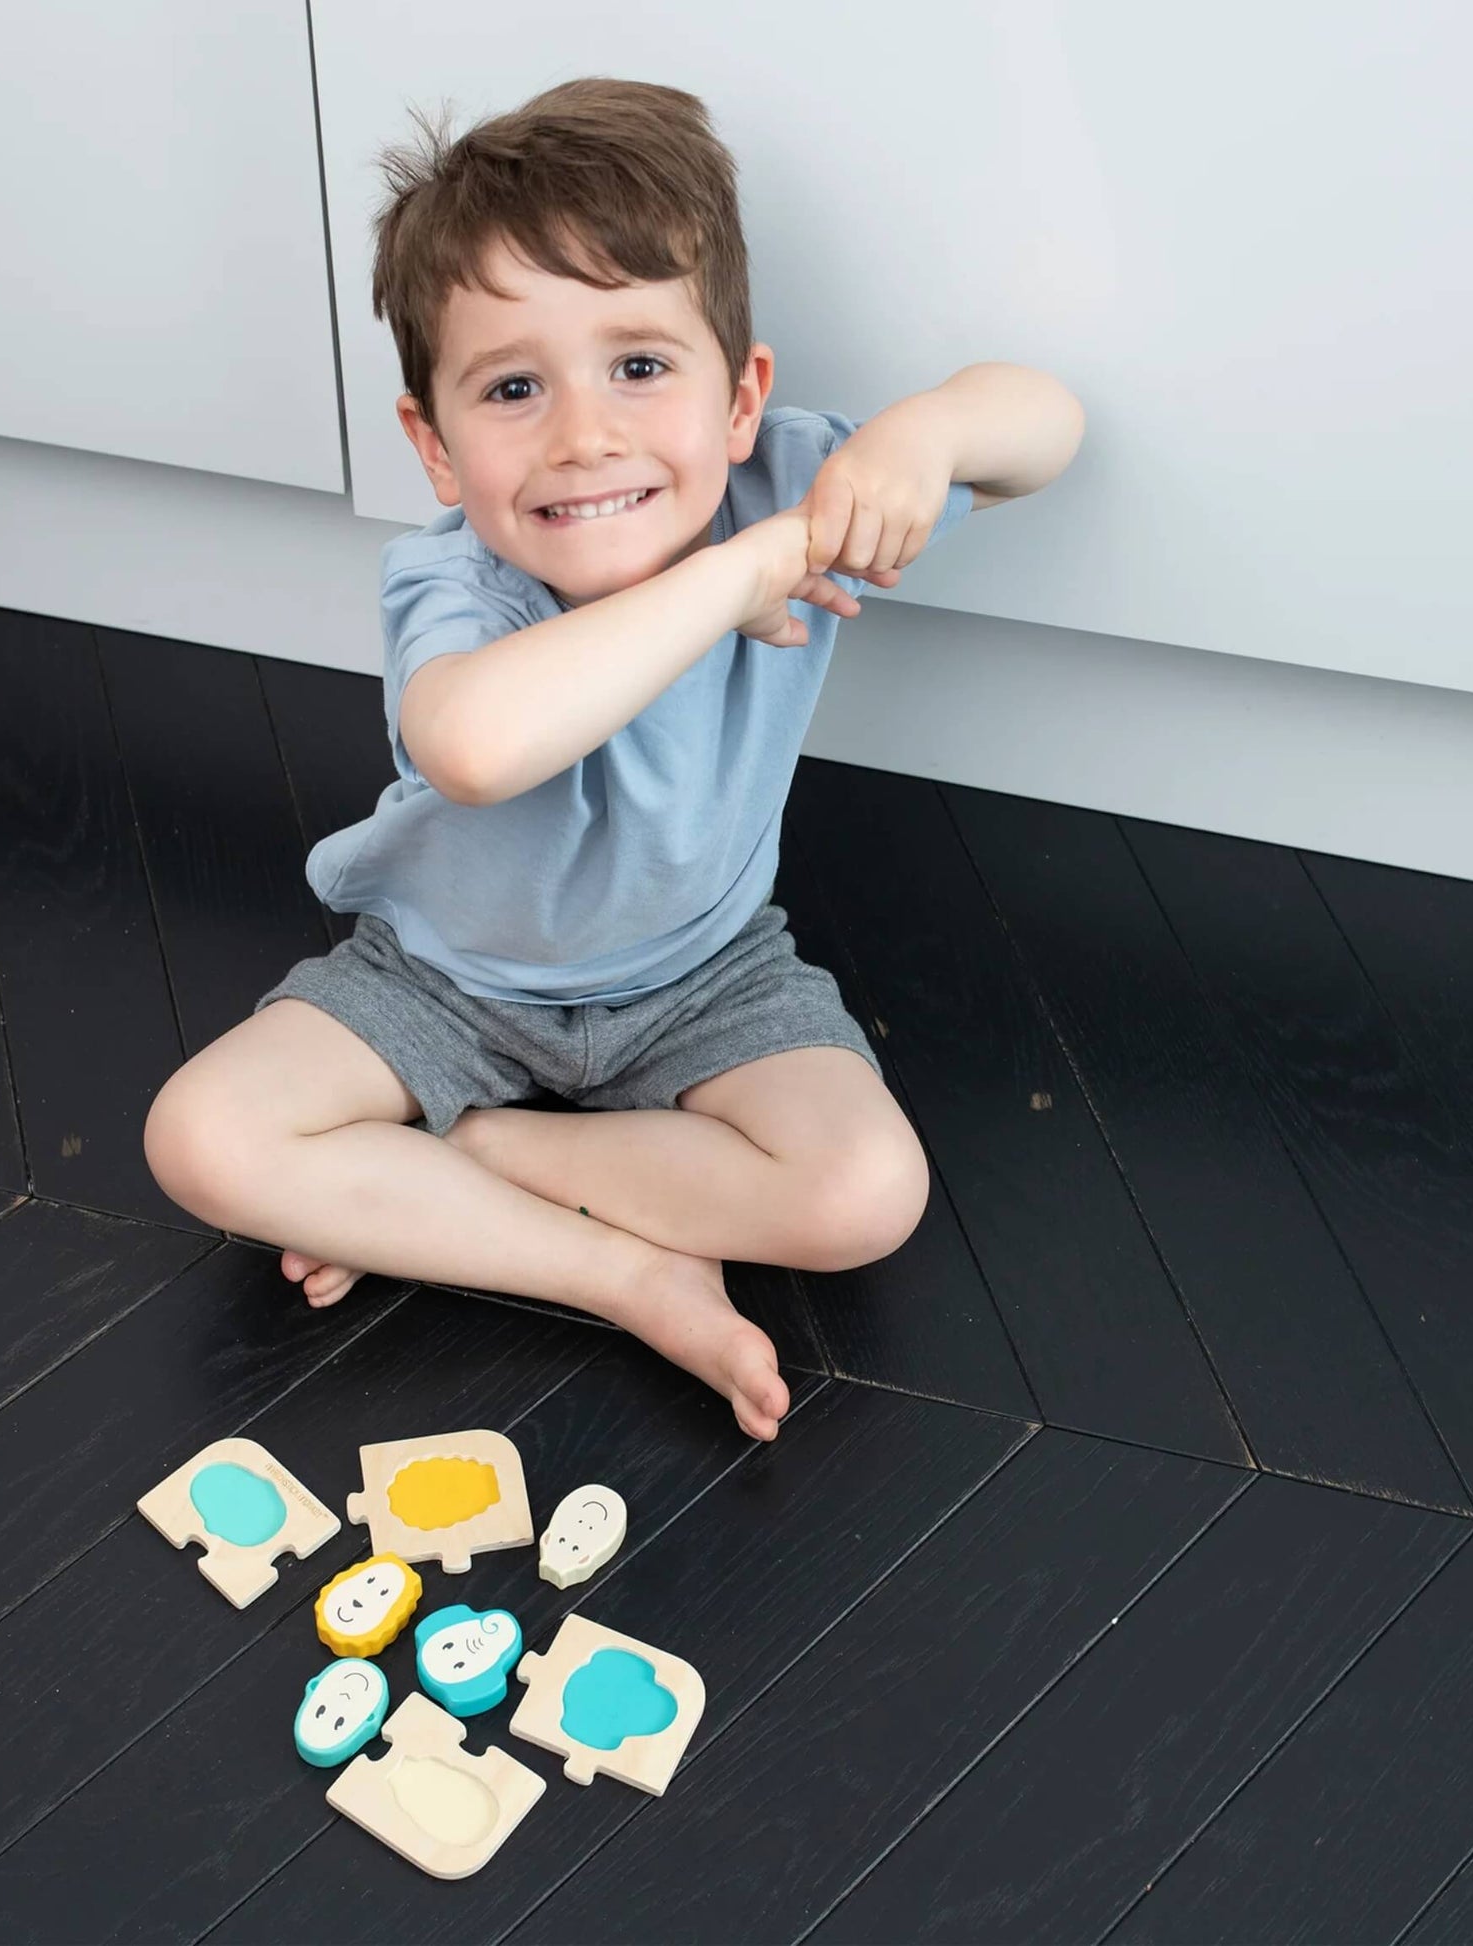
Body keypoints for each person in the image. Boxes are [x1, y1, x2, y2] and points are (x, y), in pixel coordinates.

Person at [144, 76, 1084, 1441]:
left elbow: (1043, 426)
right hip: (445, 981)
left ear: (741, 397)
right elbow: (473, 745)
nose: (584, 434)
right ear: (435, 446)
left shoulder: (790, 485)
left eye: (639, 367)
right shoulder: (458, 581)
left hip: (704, 975)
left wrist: (924, 433)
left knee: (864, 1192)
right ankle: (618, 1267)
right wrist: (750, 570)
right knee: (203, 1137)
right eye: (513, 388)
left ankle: (461, 1170)